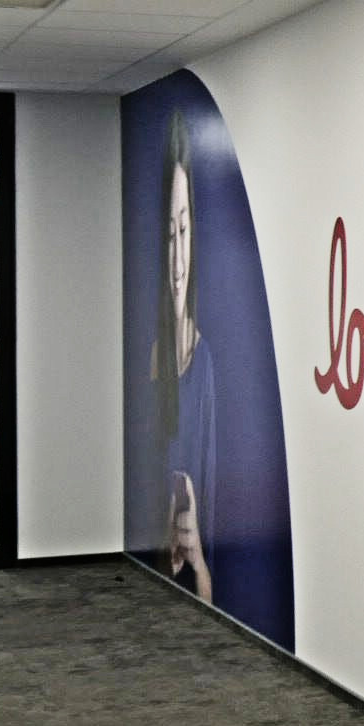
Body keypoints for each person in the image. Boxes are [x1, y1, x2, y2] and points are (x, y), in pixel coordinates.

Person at [152, 110, 217, 605]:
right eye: (167, 235)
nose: (177, 261)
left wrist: (194, 555)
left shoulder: (204, 362)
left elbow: (206, 586)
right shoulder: (153, 357)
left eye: (185, 231)